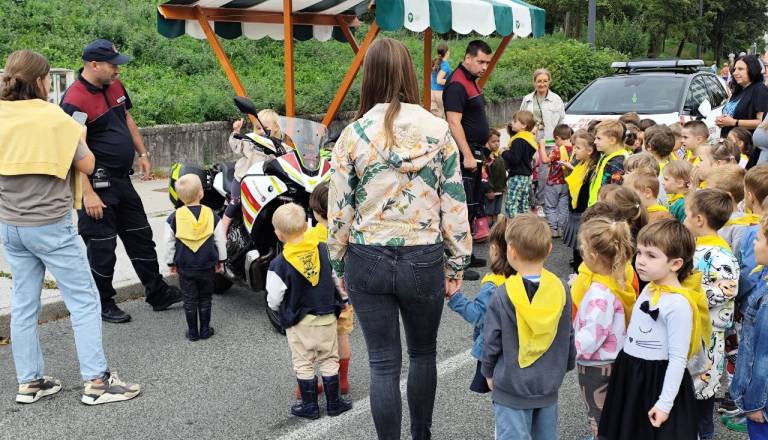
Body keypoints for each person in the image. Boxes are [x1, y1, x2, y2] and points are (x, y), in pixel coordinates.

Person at [327, 38, 471, 439]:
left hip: (366, 255)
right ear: (409, 73)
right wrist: (457, 261)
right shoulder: (439, 131)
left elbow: (339, 210)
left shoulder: (352, 135)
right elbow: (454, 202)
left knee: (383, 364)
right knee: (424, 354)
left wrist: (337, 264)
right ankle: (421, 434)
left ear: (368, 76)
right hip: (423, 256)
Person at [0, 49, 140, 406]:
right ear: (42, 81)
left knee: (24, 303)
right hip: (50, 224)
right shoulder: (54, 118)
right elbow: (89, 164)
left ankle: (29, 382)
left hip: (11, 225)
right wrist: (78, 136)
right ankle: (96, 382)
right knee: (84, 300)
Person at [60, 39, 181, 323]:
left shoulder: (114, 86)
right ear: (93, 65)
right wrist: (87, 193)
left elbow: (126, 118)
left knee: (141, 236)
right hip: (96, 185)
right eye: (113, 66)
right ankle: (103, 302)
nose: (118, 71)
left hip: (122, 181)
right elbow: (71, 150)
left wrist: (143, 152)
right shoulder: (74, 99)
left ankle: (157, 292)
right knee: (102, 248)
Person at [598, 220, 709, 440]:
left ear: (675, 264)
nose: (640, 261)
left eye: (651, 255)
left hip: (656, 381)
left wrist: (665, 404)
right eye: (639, 253)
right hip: (632, 374)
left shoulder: (678, 304)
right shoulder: (650, 288)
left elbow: (678, 359)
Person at [481, 213, 575, 440]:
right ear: (550, 249)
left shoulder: (503, 294)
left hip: (512, 384)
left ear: (510, 251)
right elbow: (568, 333)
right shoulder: (561, 288)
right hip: (548, 383)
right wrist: (567, 363)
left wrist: (488, 371)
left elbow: (491, 339)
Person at [266, 203, 350, 420]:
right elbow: (335, 279)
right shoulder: (322, 250)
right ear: (306, 226)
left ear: (279, 234)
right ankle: (334, 404)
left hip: (299, 321)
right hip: (326, 317)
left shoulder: (279, 264)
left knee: (303, 362)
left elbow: (274, 298)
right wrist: (343, 299)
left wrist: (277, 308)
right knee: (329, 358)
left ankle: (310, 407)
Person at [571, 216, 636, 438]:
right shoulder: (618, 280)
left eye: (583, 248)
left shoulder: (600, 293)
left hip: (596, 365)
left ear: (593, 255)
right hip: (614, 358)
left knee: (598, 416)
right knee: (613, 411)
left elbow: (591, 334)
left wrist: (568, 352)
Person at [682, 189, 739, 440]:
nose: (683, 221)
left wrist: (686, 296)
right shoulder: (696, 247)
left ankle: (705, 434)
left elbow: (727, 288)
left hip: (708, 335)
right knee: (688, 391)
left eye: (686, 215)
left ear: (699, 220)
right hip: (690, 331)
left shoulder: (720, 254)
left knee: (702, 392)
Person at [446, 218, 515, 393]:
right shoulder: (526, 279)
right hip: (521, 349)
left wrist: (455, 297)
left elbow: (479, 316)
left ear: (494, 250)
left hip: (496, 349)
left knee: (501, 397)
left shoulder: (493, 286)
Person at [444, 39, 493, 281]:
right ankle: (457, 261)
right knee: (462, 208)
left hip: (476, 151)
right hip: (466, 153)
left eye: (487, 62)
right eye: (481, 61)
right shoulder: (456, 84)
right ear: (468, 58)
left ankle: (468, 253)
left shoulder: (471, 80)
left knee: (472, 204)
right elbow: (454, 122)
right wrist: (465, 154)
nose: (484, 66)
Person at [163, 174, 227, 341]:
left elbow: (168, 243)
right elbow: (220, 240)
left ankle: (193, 332)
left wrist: (170, 262)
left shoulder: (174, 217)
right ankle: (205, 330)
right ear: (201, 193)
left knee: (189, 299)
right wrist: (221, 260)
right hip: (207, 265)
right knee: (205, 297)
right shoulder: (212, 215)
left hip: (185, 266)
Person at [306, 181, 353, 395]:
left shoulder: (308, 238)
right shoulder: (348, 233)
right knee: (342, 337)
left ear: (316, 212)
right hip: (343, 297)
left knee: (312, 342)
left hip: (317, 300)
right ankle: (342, 380)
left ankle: (306, 382)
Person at [221, 110, 294, 234]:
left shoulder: (279, 146)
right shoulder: (251, 141)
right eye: (258, 128)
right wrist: (236, 132)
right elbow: (236, 146)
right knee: (235, 202)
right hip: (243, 179)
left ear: (276, 127)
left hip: (263, 183)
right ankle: (222, 232)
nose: (261, 131)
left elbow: (291, 153)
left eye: (265, 128)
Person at [729, 212, 768, 439]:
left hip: (762, 405)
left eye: (759, 238)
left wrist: (754, 403)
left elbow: (762, 356)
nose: (754, 242)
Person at [520, 69, 566, 207]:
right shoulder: (527, 99)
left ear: (549, 82)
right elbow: (520, 117)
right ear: (534, 82)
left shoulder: (556, 99)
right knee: (527, 167)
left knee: (544, 172)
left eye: (545, 81)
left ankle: (541, 201)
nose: (542, 84)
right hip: (530, 137)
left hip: (549, 139)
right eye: (539, 81)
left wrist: (560, 141)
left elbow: (561, 121)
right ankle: (529, 199)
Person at [562, 130, 600, 271]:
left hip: (582, 213)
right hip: (575, 211)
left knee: (581, 247)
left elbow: (584, 192)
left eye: (578, 148)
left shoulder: (591, 169)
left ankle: (580, 272)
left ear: (589, 151)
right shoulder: (581, 165)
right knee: (577, 248)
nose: (574, 150)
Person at [716, 55, 768, 139]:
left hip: (746, 147)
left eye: (740, 69)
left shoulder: (759, 90)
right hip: (729, 144)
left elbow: (761, 123)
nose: (735, 73)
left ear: (752, 70)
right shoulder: (738, 90)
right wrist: (722, 121)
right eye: (735, 69)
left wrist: (734, 122)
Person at [502, 110, 538, 218]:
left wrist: (504, 152)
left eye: (515, 121)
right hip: (526, 177)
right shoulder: (529, 139)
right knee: (523, 205)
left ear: (524, 125)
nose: (511, 123)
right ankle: (525, 227)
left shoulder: (518, 140)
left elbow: (515, 159)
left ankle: (514, 227)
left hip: (517, 176)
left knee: (511, 204)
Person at [539, 124, 573, 237]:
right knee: (563, 207)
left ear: (558, 138)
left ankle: (553, 229)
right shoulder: (573, 148)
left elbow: (545, 160)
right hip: (566, 183)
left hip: (553, 183)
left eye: (555, 140)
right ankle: (563, 229)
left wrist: (542, 146)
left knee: (550, 206)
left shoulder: (558, 150)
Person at [588, 120, 629, 206]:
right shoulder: (606, 155)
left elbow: (614, 192)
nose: (595, 142)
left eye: (599, 138)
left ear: (612, 140)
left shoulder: (618, 162)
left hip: (605, 210)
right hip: (597, 207)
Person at [484, 129, 506, 227]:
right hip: (491, 190)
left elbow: (503, 173)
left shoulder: (499, 156)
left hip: (499, 189)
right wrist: (489, 189)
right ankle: (488, 228)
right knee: (489, 211)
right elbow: (486, 175)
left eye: (498, 141)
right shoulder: (487, 158)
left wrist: (504, 186)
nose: (497, 144)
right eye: (493, 142)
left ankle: (495, 229)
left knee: (497, 211)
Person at [430, 42, 451, 119]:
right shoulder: (445, 65)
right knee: (442, 117)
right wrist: (451, 81)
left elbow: (431, 76)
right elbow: (439, 80)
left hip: (431, 92)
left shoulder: (435, 61)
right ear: (447, 52)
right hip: (440, 93)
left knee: (434, 117)